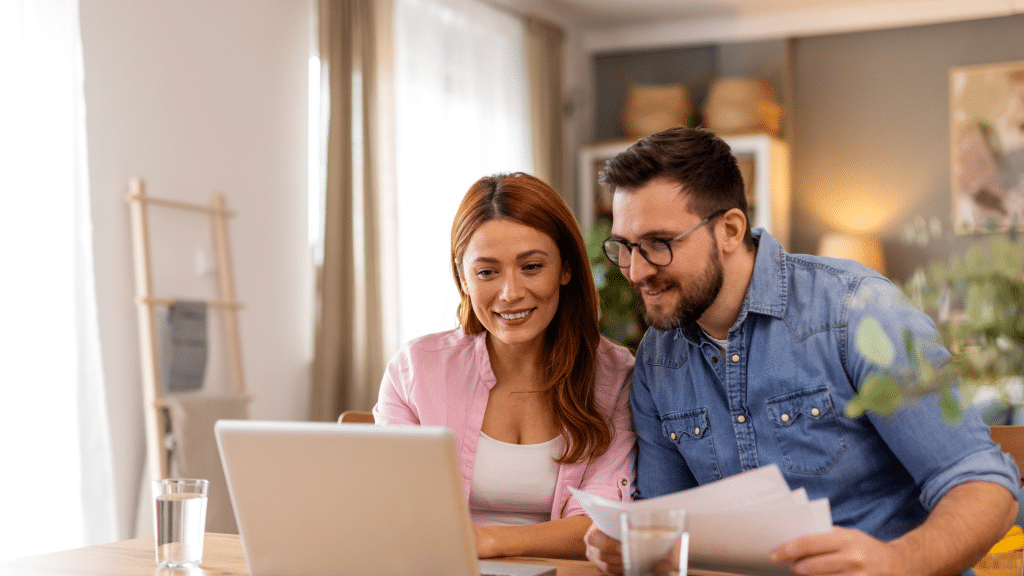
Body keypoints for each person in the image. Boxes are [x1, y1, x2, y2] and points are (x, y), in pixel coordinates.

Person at [583, 127, 1020, 576]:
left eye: (658, 244)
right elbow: (663, 523)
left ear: (730, 230)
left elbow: (984, 486)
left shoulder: (859, 313)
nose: (635, 271)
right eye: (626, 247)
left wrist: (899, 562)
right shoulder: (658, 358)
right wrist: (634, 546)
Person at [374, 172, 636, 559]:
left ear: (565, 269)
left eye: (531, 267)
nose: (510, 293)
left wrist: (490, 541)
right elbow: (401, 510)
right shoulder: (415, 370)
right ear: (463, 278)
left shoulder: (615, 376)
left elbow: (600, 527)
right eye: (487, 272)